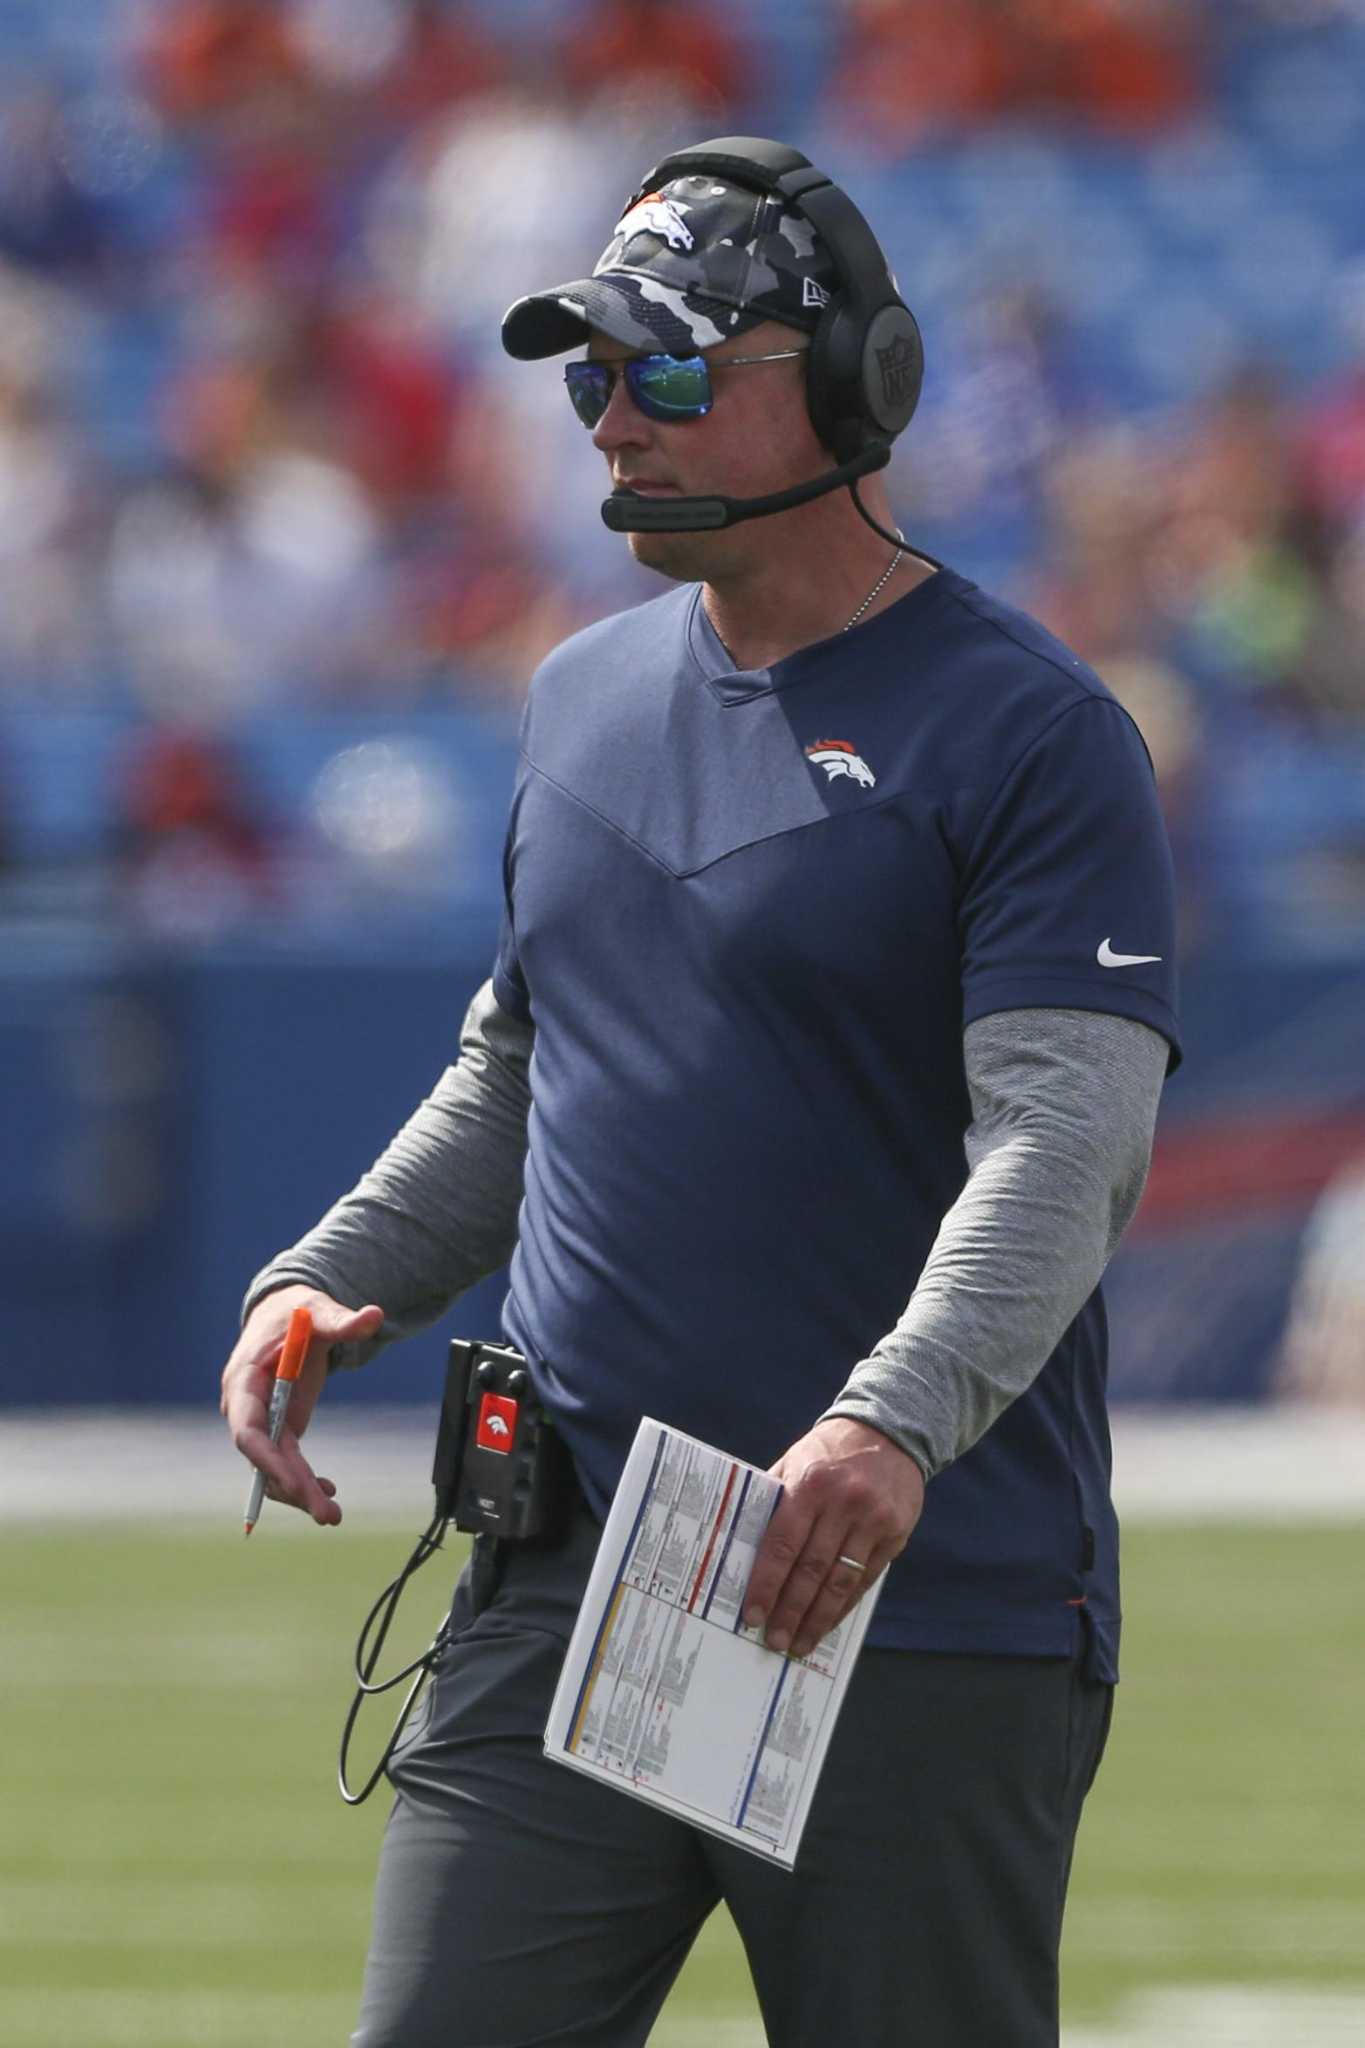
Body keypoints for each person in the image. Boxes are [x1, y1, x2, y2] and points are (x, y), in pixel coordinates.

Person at [221, 136, 1181, 2048]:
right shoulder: (578, 695)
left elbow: (1065, 1147)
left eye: (669, 374)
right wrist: (336, 1272)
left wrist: (889, 1429)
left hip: (893, 1583)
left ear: (851, 388)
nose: (613, 428)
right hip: (570, 1563)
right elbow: (523, 1057)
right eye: (593, 380)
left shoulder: (1030, 732)